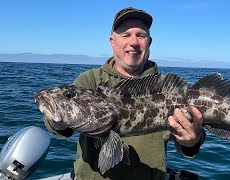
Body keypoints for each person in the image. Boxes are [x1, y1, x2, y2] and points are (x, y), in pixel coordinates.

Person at [44, 7, 206, 180]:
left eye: (141, 35)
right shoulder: (90, 80)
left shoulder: (165, 88)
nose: (134, 42)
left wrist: (192, 141)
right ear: (112, 41)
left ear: (149, 42)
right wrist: (56, 122)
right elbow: (61, 126)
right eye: (125, 35)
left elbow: (189, 143)